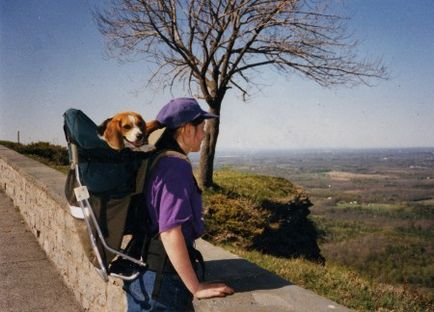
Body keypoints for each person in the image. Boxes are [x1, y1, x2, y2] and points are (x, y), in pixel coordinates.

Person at [124, 98, 234, 311]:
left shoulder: (157, 157)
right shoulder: (174, 167)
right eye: (201, 128)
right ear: (186, 129)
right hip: (161, 285)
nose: (203, 135)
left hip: (144, 272)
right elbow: (170, 231)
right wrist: (196, 287)